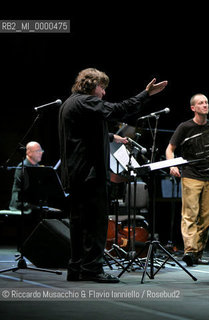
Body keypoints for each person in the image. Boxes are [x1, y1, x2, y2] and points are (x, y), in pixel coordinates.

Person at [59, 67, 167, 283]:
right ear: (92, 85)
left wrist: (110, 136)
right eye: (102, 87)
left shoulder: (69, 103)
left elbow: (80, 132)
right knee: (96, 223)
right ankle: (92, 269)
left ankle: (77, 268)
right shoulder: (86, 101)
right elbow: (119, 109)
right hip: (90, 173)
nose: (104, 92)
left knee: (79, 224)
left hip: (74, 173)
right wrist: (146, 94)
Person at [166, 93, 209, 266]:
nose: (205, 105)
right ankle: (190, 251)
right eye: (201, 103)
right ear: (193, 108)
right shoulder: (184, 127)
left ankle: (197, 254)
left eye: (206, 102)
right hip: (191, 175)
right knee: (190, 215)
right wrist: (172, 165)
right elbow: (170, 149)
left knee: (206, 218)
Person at [9, 141, 44, 212]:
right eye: (38, 151)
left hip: (31, 204)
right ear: (29, 152)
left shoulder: (37, 167)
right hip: (21, 205)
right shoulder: (22, 166)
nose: (41, 153)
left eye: (41, 150)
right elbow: (29, 188)